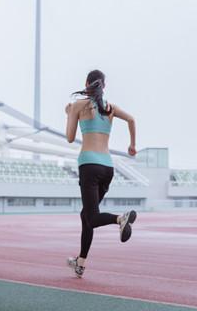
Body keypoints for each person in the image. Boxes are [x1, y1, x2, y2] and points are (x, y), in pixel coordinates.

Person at [64, 69, 137, 278]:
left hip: (88, 165)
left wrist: (69, 114)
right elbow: (132, 119)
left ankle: (120, 219)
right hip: (108, 168)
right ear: (103, 86)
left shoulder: (78, 106)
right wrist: (132, 145)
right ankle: (80, 262)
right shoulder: (110, 108)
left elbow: (70, 137)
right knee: (85, 216)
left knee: (93, 217)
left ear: (86, 83)